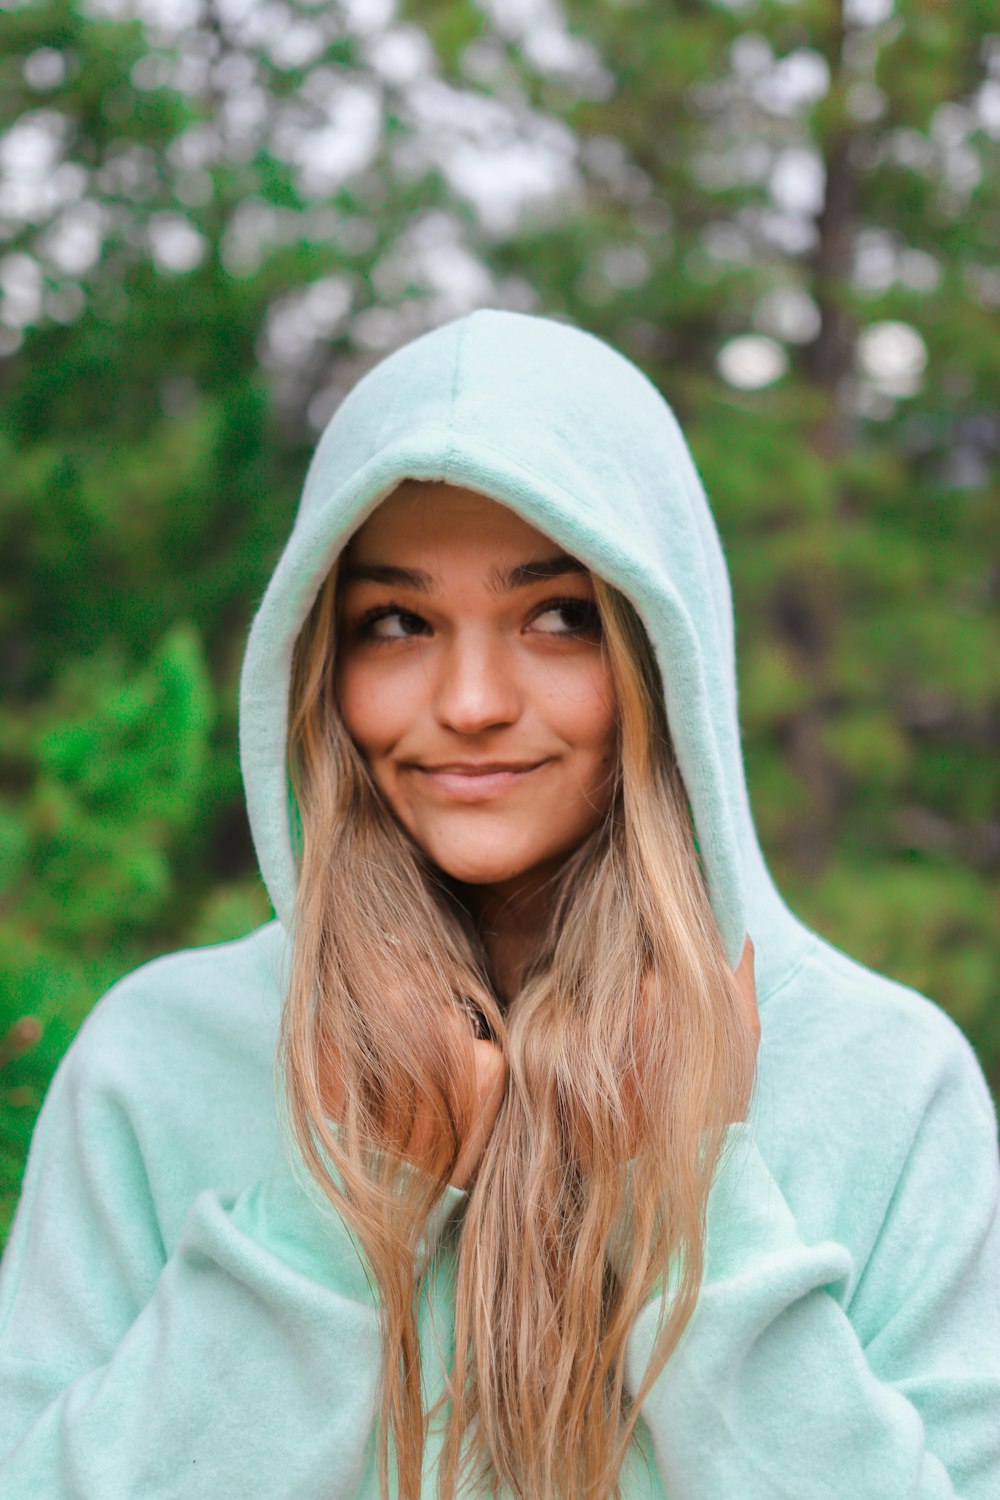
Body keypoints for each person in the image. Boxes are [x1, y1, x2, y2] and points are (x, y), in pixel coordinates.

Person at [0, 310, 997, 1500]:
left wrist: (698, 1209)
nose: (471, 699)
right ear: (322, 662)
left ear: (658, 646)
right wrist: (340, 1212)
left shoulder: (883, 1078)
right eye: (398, 623)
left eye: (558, 616)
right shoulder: (157, 1063)